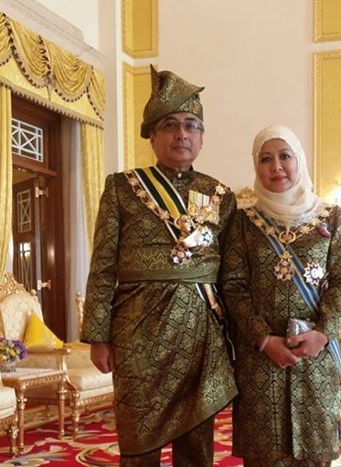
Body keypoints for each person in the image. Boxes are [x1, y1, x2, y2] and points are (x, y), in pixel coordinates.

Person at [80, 66, 238, 467]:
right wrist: (98, 335)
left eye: (190, 125)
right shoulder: (122, 187)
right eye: (170, 125)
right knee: (138, 438)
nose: (181, 134)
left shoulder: (220, 195)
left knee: (196, 442)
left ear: (202, 137)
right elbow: (102, 265)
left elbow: (233, 274)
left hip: (201, 334)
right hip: (137, 331)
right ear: (152, 135)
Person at [221, 124, 341, 467]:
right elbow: (233, 286)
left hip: (315, 355)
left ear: (300, 161)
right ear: (256, 166)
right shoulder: (243, 222)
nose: (276, 166)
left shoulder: (330, 217)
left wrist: (323, 333)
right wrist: (264, 339)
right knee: (264, 454)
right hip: (260, 358)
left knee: (315, 453)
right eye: (265, 159)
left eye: (285, 156)